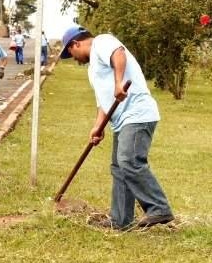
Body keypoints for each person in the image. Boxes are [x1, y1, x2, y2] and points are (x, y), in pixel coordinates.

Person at [60, 25, 174, 230]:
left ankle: (158, 207)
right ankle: (120, 220)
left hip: (137, 114)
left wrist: (118, 82)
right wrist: (98, 127)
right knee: (119, 168)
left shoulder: (102, 42)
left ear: (75, 43)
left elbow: (118, 53)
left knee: (129, 160)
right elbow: (102, 103)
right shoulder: (92, 69)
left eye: (71, 53)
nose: (74, 59)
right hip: (122, 120)